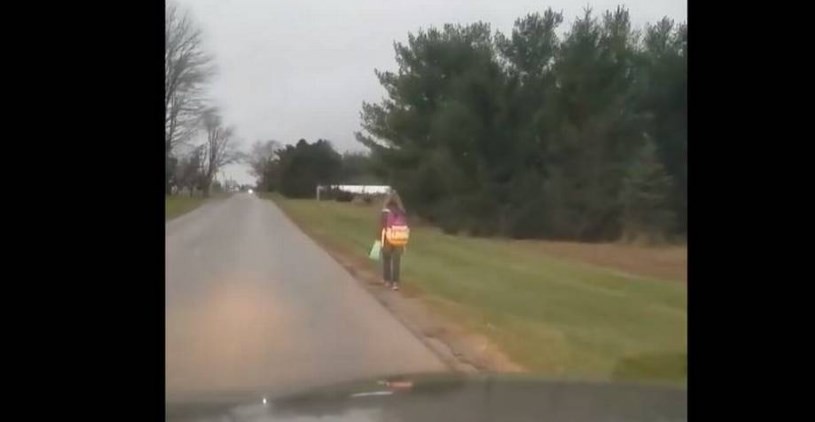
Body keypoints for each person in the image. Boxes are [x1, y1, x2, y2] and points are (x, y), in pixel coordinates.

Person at [378, 190, 409, 291]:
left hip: (387, 238)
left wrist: (379, 240)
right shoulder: (402, 212)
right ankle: (395, 283)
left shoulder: (385, 211)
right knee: (397, 261)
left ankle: (387, 280)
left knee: (386, 259)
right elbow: (405, 226)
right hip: (399, 238)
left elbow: (382, 226)